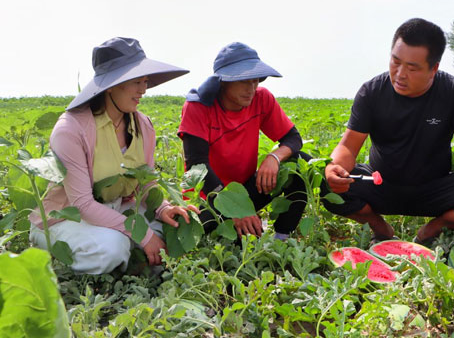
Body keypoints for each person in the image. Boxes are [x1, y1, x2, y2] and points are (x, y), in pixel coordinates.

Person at [324, 18, 454, 248]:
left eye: (412, 68)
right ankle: (378, 226)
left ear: (434, 68)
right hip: (381, 183)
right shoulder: (372, 92)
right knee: (325, 184)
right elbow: (348, 147)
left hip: (434, 187)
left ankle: (432, 229)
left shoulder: (453, 92)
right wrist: (334, 169)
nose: (400, 74)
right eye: (395, 61)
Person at [29, 37, 200, 274]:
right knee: (113, 247)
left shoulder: (143, 125)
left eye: (145, 80)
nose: (143, 89)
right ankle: (59, 258)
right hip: (69, 217)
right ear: (110, 85)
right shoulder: (72, 129)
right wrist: (142, 233)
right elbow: (82, 204)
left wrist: (163, 208)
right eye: (136, 81)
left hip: (116, 207)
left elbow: (146, 183)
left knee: (172, 225)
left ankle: (130, 256)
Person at [178, 42, 307, 240]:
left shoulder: (261, 98)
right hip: (209, 198)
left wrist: (274, 157)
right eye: (244, 81)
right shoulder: (198, 107)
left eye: (255, 81)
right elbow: (197, 166)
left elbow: (293, 138)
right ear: (223, 81)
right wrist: (234, 208)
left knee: (297, 163)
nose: (252, 88)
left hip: (244, 192)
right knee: (211, 236)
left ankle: (281, 238)